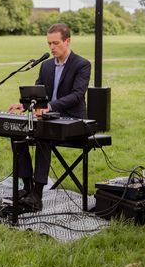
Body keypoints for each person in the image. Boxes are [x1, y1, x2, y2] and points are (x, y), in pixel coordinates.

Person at [7, 23, 91, 210]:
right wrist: (25, 104)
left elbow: (77, 95)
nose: (52, 47)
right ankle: (27, 187)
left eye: (56, 43)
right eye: (49, 44)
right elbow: (37, 94)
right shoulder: (45, 66)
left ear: (67, 41)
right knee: (16, 134)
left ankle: (37, 194)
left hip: (72, 120)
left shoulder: (82, 64)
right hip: (47, 118)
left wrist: (50, 106)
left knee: (43, 136)